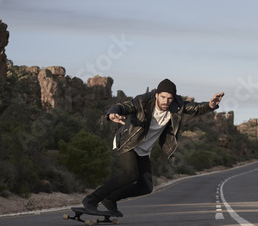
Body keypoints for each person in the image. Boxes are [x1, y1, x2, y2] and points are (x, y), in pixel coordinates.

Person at [82, 78, 224, 216]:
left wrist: (211, 105)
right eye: (163, 97)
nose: (166, 101)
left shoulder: (177, 105)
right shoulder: (142, 101)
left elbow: (195, 108)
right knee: (130, 174)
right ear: (156, 94)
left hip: (144, 150)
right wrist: (113, 112)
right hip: (128, 142)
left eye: (169, 98)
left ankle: (111, 198)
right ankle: (91, 200)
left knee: (146, 187)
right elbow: (124, 106)